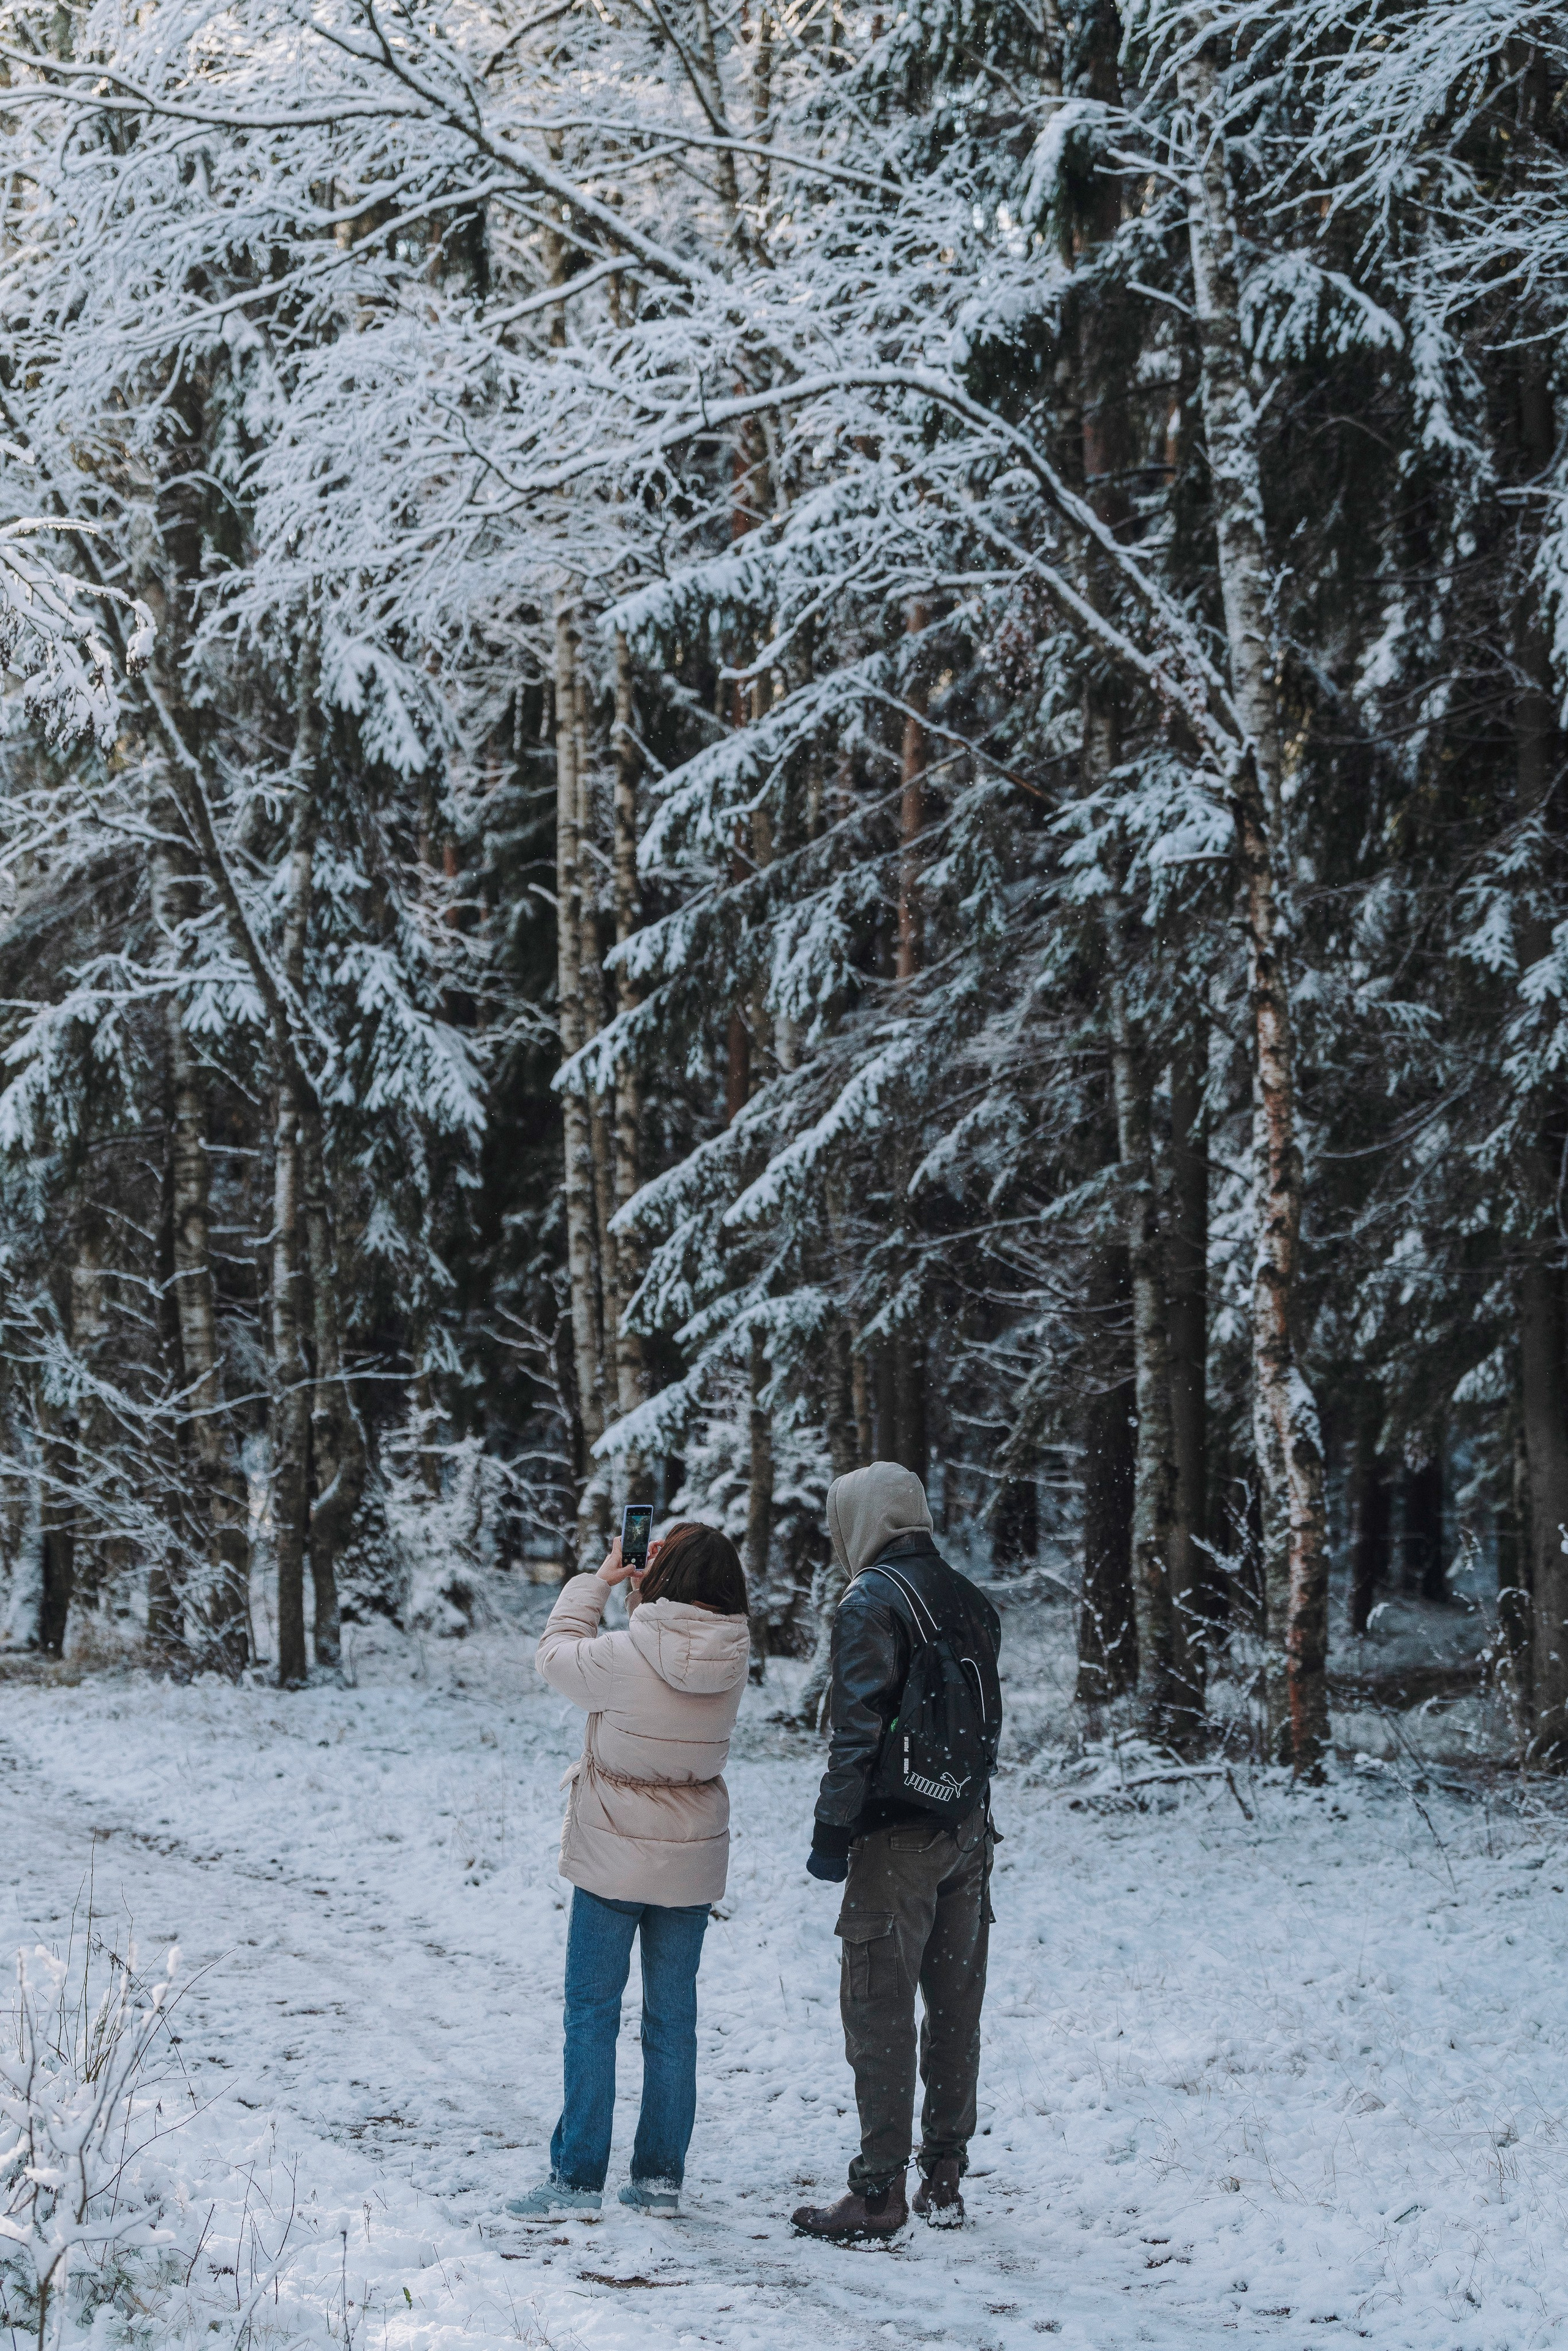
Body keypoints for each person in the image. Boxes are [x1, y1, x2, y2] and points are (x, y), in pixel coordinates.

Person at [507, 1522, 752, 2220]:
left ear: (660, 1576)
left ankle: (577, 2178)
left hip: (612, 1853)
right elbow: (670, 1651)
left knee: (591, 2015)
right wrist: (646, 1597)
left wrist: (604, 1580)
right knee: (672, 2023)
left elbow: (554, 1654)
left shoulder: (622, 1653)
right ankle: (659, 2181)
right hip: (690, 1860)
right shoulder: (731, 1655)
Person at [791, 1462, 1003, 2244]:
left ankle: (878, 2193)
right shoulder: (968, 1596)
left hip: (896, 1836)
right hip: (969, 1829)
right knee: (953, 2006)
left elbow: (857, 1731)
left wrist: (829, 1832)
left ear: (861, 1519)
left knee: (878, 2008)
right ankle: (943, 2175)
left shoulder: (870, 1598)